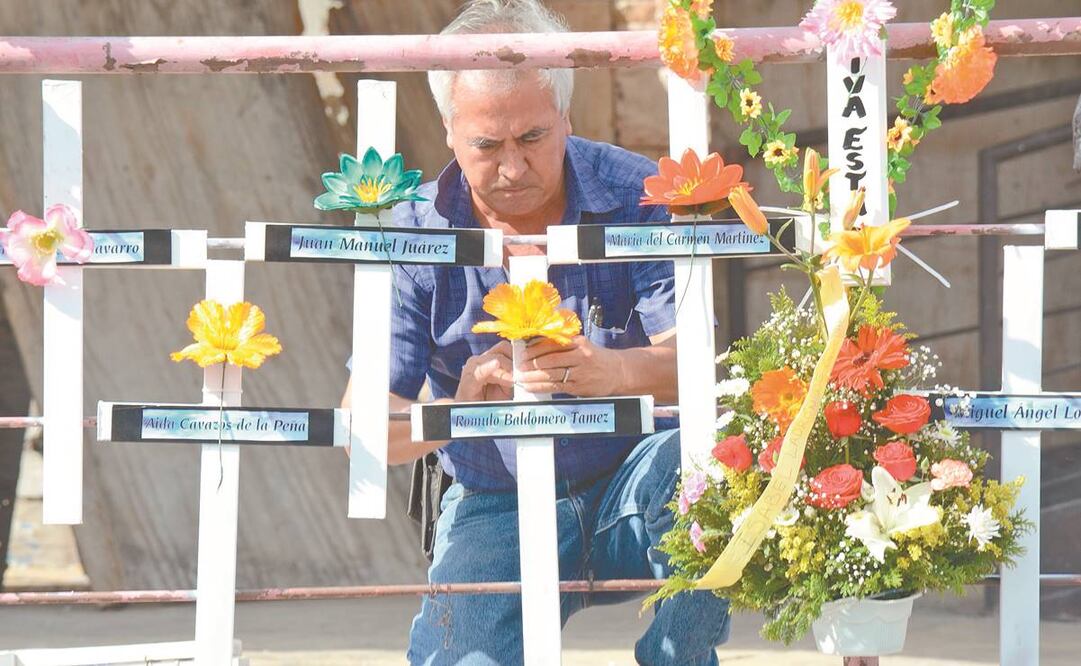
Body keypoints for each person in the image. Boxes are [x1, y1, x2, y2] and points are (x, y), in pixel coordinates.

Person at [341, 1, 731, 663]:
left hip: (632, 478)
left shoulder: (638, 192)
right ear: (447, 130)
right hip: (496, 499)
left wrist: (614, 372)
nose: (513, 168)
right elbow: (366, 430)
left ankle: (678, 656)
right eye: (486, 146)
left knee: (713, 464)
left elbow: (698, 364)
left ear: (566, 117)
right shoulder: (409, 231)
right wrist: (459, 410)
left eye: (532, 138)